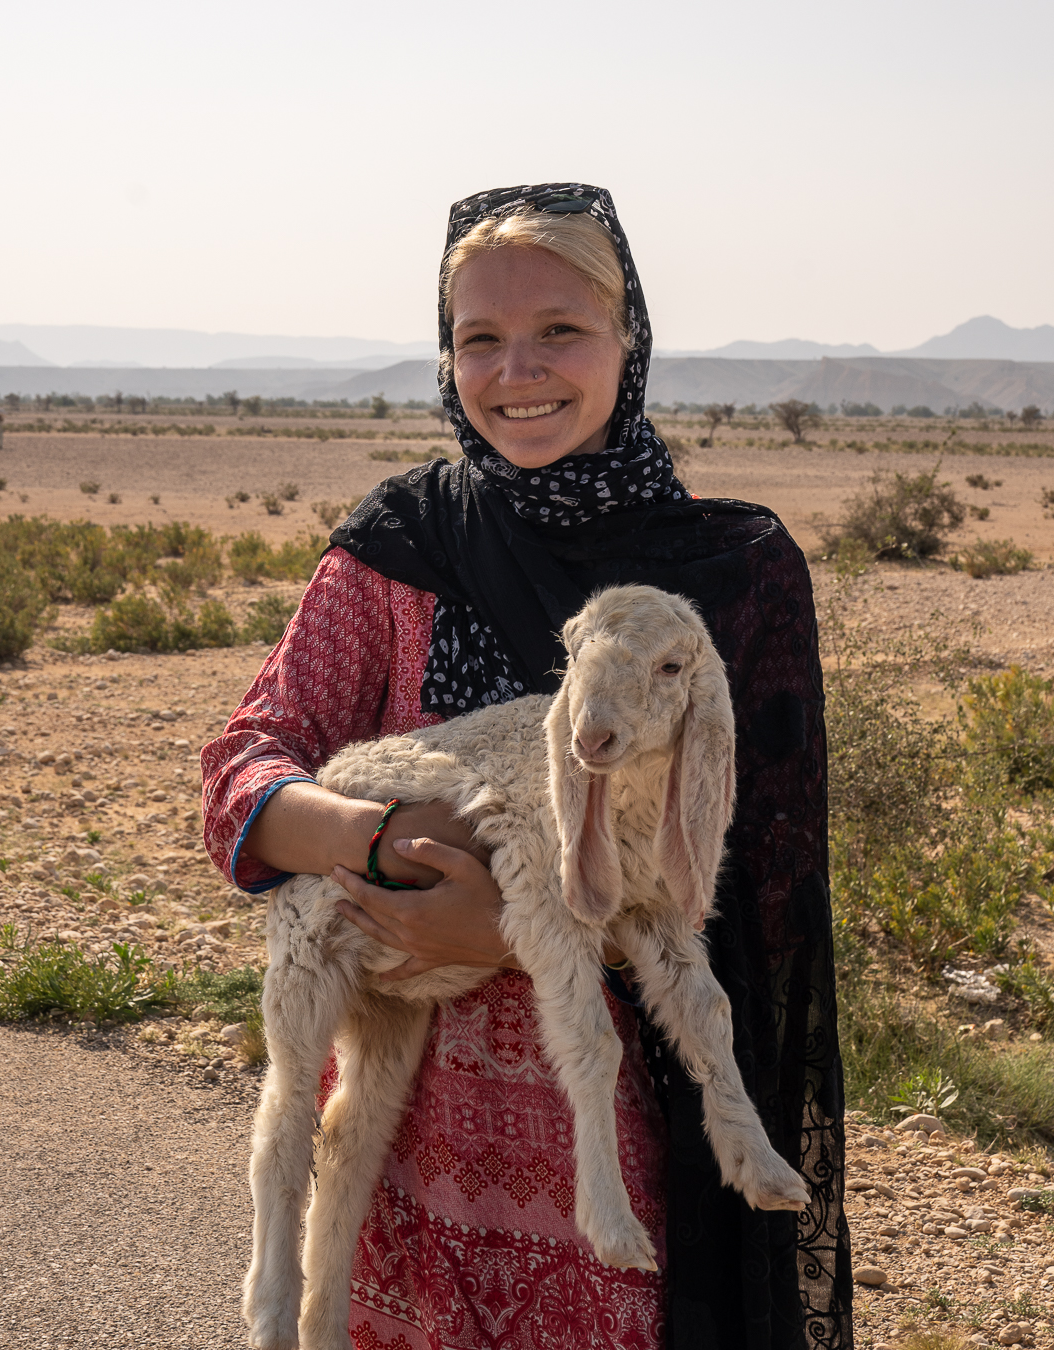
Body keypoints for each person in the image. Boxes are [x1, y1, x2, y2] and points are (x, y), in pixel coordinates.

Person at [202, 182, 852, 1350]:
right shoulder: (400, 546)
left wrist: (511, 925)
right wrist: (374, 848)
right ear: (445, 358)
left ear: (628, 338)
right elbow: (245, 769)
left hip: (630, 1205)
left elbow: (757, 889)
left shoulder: (732, 576)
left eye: (560, 330)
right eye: (479, 340)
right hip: (406, 1174)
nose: (518, 371)